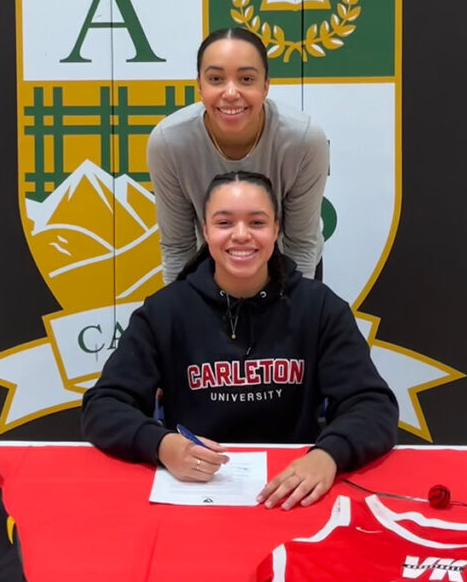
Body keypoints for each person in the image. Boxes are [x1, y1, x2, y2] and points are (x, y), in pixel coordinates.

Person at [81, 171, 398, 510]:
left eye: (257, 222)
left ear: (276, 229)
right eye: (224, 223)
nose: (241, 235)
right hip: (192, 488)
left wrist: (328, 455)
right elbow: (103, 405)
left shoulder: (320, 308)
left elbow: (372, 404)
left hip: (294, 488)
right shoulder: (165, 310)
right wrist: (161, 445)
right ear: (205, 231)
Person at [147, 27, 329, 283]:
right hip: (213, 261)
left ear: (266, 86)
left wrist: (297, 312)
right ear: (199, 85)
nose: (230, 93)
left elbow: (301, 245)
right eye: (216, 79)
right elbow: (178, 248)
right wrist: (179, 315)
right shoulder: (169, 143)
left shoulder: (303, 140)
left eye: (246, 79)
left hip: (288, 263)